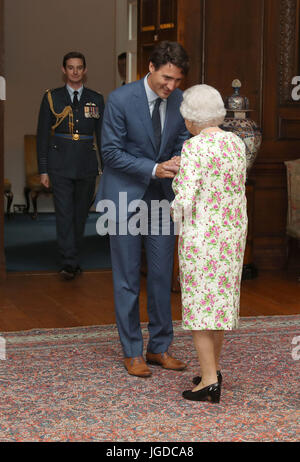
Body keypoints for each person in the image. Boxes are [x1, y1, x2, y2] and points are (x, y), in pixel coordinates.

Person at [95, 41, 190, 377]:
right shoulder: (120, 99)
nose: (171, 87)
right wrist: (153, 168)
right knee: (127, 277)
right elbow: (110, 152)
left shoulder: (180, 100)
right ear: (150, 67)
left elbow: (181, 140)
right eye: (166, 78)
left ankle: (159, 347)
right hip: (123, 196)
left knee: (163, 274)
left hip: (162, 199)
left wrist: (179, 159)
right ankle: (132, 350)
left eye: (177, 80)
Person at [171, 84, 248, 403]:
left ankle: (209, 381)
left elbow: (185, 200)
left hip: (203, 237)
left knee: (202, 309)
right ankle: (211, 369)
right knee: (218, 305)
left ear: (191, 119)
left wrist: (174, 204)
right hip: (231, 234)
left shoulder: (194, 147)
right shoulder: (236, 143)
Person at [37, 51, 104, 280]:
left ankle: (71, 255)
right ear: (64, 70)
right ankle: (69, 262)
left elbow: (101, 136)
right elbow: (43, 136)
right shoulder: (52, 98)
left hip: (86, 163)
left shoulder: (96, 98)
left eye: (79, 67)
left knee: (80, 215)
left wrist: (104, 169)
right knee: (64, 214)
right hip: (60, 163)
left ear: (85, 71)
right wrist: (43, 169)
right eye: (70, 67)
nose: (75, 71)